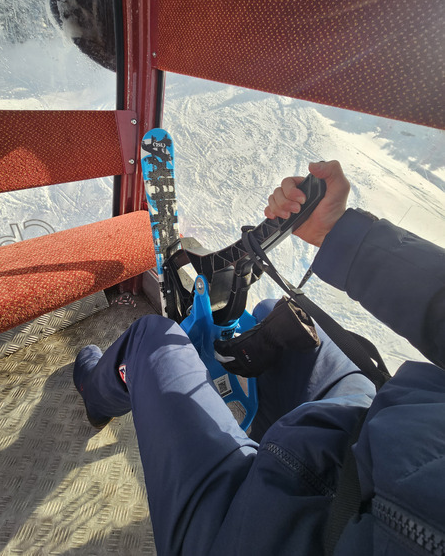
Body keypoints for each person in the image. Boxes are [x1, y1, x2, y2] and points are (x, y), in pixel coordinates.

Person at [73, 160, 445, 555]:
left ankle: (96, 395)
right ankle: (256, 423)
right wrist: (341, 234)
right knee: (273, 317)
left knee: (153, 338)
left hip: (275, 531)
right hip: (378, 427)